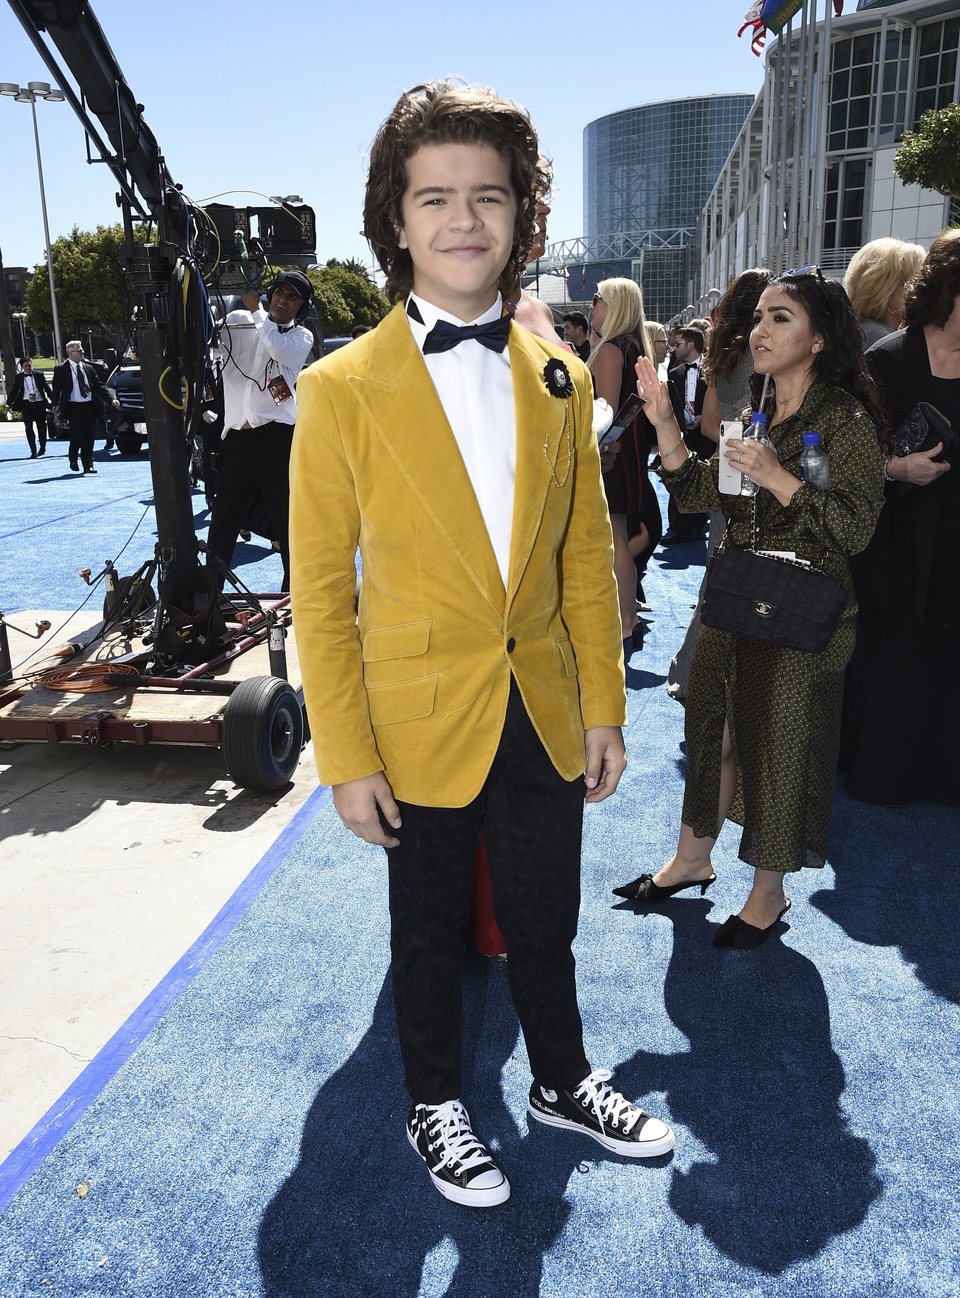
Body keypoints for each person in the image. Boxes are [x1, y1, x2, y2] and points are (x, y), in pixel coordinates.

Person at [289, 80, 674, 1210]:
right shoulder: (338, 388)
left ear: (522, 218)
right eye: (435, 197)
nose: (465, 219)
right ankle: (433, 1099)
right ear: (396, 220)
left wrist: (605, 704)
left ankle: (559, 1078)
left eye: (488, 197)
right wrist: (345, 754)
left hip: (547, 703)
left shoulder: (557, 378)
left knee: (547, 913)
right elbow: (320, 591)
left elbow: (578, 565)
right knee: (427, 926)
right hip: (415, 717)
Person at [618, 269, 886, 948]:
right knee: (710, 726)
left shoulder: (846, 420)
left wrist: (777, 475)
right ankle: (692, 858)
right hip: (738, 596)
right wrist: (663, 424)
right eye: (759, 317)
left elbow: (855, 530)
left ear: (820, 339)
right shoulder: (759, 407)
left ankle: (769, 892)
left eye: (780, 319)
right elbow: (702, 491)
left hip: (806, 612)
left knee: (781, 746)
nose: (758, 330)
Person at [841, 228, 960, 805]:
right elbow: (845, 458)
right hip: (895, 536)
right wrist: (897, 469)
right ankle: (885, 771)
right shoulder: (886, 359)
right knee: (893, 652)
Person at [666, 268, 773, 702]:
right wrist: (753, 447)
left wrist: (733, 446)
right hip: (753, 478)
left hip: (724, 474)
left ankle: (695, 673)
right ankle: (706, 678)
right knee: (742, 581)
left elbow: (710, 423)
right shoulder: (763, 352)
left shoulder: (723, 351)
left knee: (720, 575)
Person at [206, 270, 314, 591]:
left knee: (288, 517)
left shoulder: (300, 338)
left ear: (301, 308)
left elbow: (278, 349)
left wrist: (257, 311)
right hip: (238, 437)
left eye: (292, 297)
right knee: (224, 518)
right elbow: (209, 342)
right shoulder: (239, 318)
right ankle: (211, 590)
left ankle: (294, 592)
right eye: (279, 292)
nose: (282, 300)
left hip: (278, 439)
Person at [588, 277, 659, 642]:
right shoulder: (632, 348)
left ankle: (624, 620)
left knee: (614, 540)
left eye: (597, 298)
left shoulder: (612, 350)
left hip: (610, 457)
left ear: (613, 305)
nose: (591, 305)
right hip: (628, 455)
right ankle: (627, 617)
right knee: (616, 538)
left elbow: (605, 412)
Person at [661, 326, 711, 544]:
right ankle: (677, 527)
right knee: (679, 478)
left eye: (678, 344)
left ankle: (698, 525)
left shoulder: (712, 370)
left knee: (704, 477)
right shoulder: (674, 374)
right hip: (683, 435)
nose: (674, 348)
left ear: (691, 344)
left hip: (706, 435)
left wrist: (703, 418)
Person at [51, 340, 120, 474]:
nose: (83, 352)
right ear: (71, 353)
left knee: (89, 435)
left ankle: (88, 464)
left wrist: (111, 400)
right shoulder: (61, 369)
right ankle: (73, 458)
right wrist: (54, 405)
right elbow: (56, 389)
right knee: (77, 435)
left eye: (82, 350)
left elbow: (98, 386)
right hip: (73, 407)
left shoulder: (88, 368)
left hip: (89, 406)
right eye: (79, 350)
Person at [843, 237, 926, 348]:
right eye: (913, 283)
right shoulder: (879, 340)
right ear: (883, 287)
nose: (918, 291)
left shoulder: (854, 330)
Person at [7, 357, 51, 458]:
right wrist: (8, 404)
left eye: (29, 365)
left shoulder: (39, 375)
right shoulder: (18, 377)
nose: (28, 367)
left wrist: (53, 401)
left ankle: (42, 447)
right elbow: (14, 391)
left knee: (42, 426)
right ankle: (33, 450)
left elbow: (47, 388)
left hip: (39, 403)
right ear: (22, 367)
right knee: (28, 428)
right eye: (26, 366)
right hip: (26, 405)